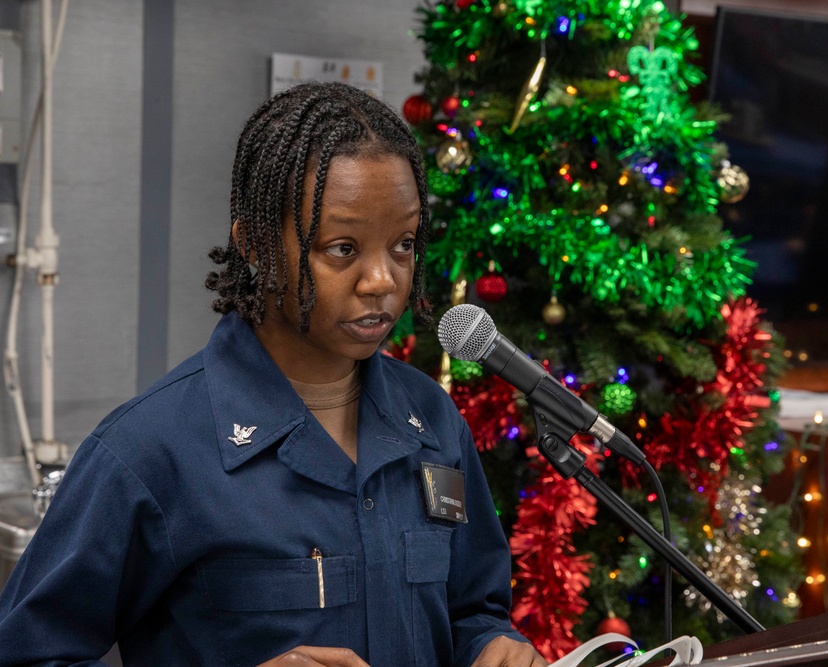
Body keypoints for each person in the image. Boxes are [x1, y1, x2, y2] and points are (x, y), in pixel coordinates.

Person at [0, 82, 547, 667]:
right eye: (341, 248)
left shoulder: (433, 420)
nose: (382, 280)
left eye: (404, 244)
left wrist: (493, 644)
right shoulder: (148, 451)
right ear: (255, 245)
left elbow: (473, 609)